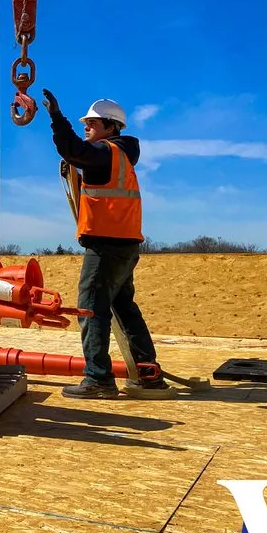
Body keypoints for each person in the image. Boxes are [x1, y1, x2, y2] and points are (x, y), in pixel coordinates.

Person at [42, 89, 170, 399]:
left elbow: (72, 151)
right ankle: (147, 372)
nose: (87, 126)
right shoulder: (122, 156)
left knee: (91, 309)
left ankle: (99, 378)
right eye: (86, 122)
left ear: (111, 127)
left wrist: (56, 118)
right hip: (125, 245)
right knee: (124, 307)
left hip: (106, 246)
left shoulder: (105, 153)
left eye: (93, 123)